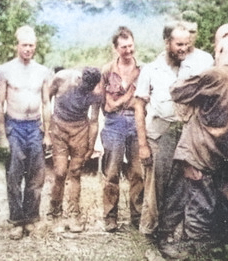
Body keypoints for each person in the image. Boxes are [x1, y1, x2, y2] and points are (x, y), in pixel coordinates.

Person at [157, 23, 228, 258]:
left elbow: (177, 91)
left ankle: (190, 249)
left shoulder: (212, 75)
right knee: (212, 204)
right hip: (223, 154)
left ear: (221, 45)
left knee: (196, 208)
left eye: (217, 40)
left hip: (199, 152)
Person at [134, 18, 214, 240]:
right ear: (167, 42)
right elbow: (139, 108)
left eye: (187, 44)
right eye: (179, 45)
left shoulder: (193, 67)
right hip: (159, 133)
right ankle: (150, 232)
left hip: (186, 132)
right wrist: (142, 146)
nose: (184, 49)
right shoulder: (151, 69)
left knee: (180, 186)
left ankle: (169, 231)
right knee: (155, 188)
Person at [0, 25, 52, 240]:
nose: (28, 49)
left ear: (35, 46)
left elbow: (46, 103)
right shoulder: (5, 70)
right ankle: (17, 220)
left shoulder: (42, 71)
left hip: (34, 126)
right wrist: (2, 136)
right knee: (14, 175)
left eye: (31, 45)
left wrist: (47, 133)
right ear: (16, 46)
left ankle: (31, 218)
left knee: (36, 176)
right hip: (15, 126)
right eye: (24, 45)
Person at [46, 67, 102, 233]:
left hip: (80, 131)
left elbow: (94, 121)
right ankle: (54, 211)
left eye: (90, 88)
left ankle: (73, 213)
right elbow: (45, 101)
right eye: (84, 85)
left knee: (75, 172)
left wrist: (91, 146)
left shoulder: (96, 93)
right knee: (60, 172)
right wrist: (47, 129)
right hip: (59, 129)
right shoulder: (62, 78)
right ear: (79, 79)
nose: (87, 90)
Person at [100, 26, 144, 232]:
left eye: (130, 46)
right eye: (123, 47)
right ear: (116, 48)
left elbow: (144, 100)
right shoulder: (107, 70)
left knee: (138, 172)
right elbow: (104, 103)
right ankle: (110, 217)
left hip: (136, 122)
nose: (128, 50)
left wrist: (120, 102)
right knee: (111, 172)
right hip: (114, 123)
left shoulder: (143, 69)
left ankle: (138, 216)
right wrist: (120, 103)